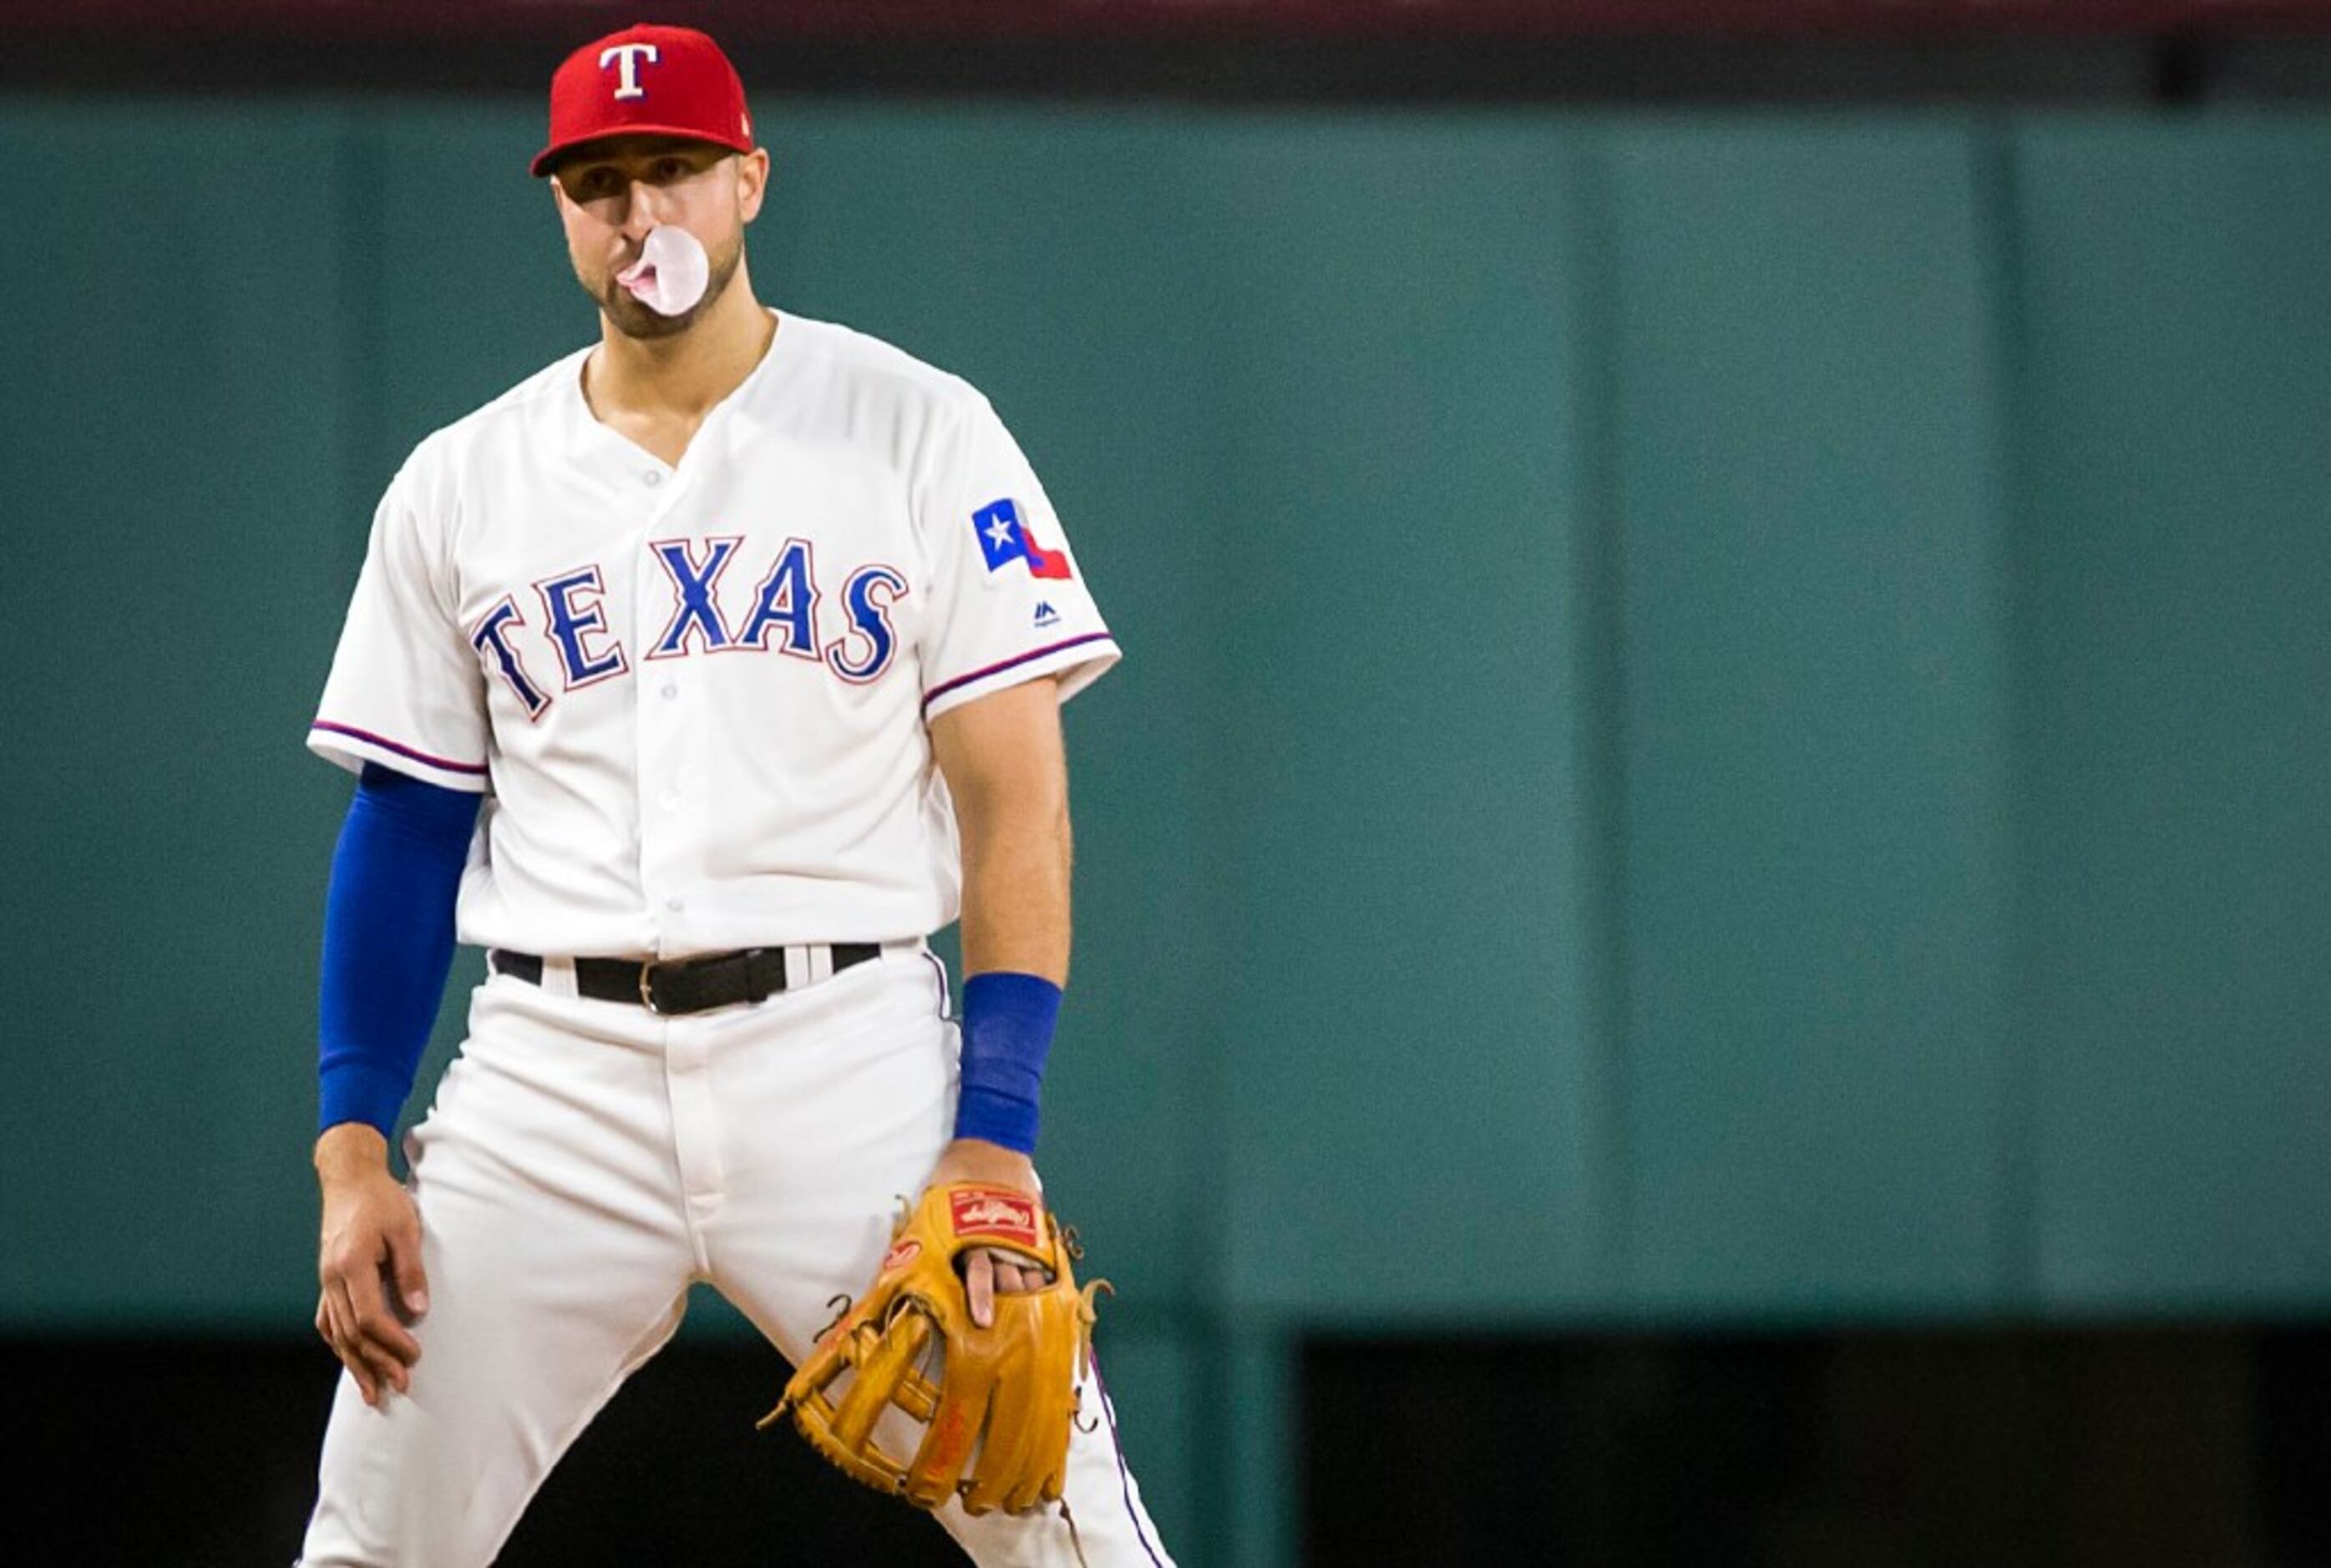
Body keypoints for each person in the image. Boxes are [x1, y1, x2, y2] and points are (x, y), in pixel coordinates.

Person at [295, 21, 1173, 1566]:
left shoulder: (917, 426)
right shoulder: (462, 481)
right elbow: (407, 825)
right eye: (601, 181)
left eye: (677, 170)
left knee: (1074, 1534)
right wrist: (353, 1144)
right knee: (370, 1542)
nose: (642, 215)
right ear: (563, 206)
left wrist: (998, 1129)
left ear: (750, 180)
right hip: (554, 1073)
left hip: (845, 1057)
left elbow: (1015, 802)